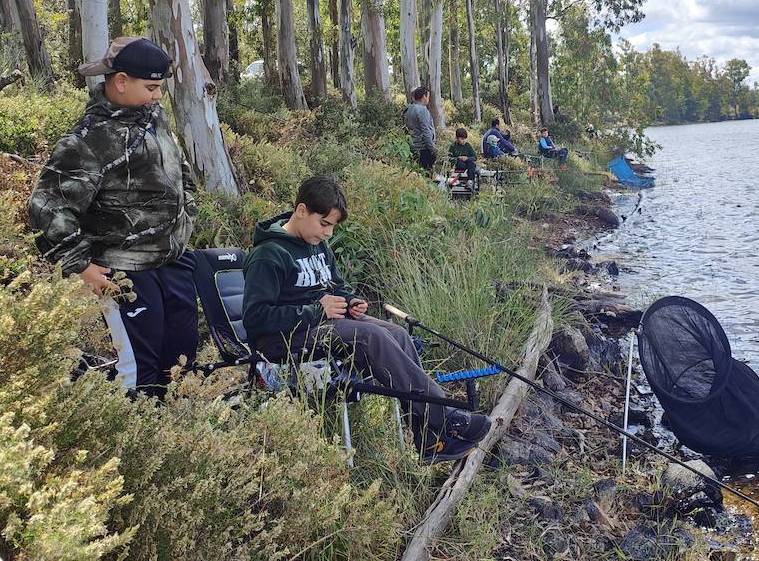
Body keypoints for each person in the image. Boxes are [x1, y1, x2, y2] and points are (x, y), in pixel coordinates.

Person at [242, 176, 492, 463]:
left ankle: (428, 438)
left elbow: (336, 286)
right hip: (283, 338)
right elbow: (255, 318)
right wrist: (317, 311)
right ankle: (443, 415)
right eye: (324, 223)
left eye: (333, 227)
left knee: (397, 334)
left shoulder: (316, 244)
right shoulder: (268, 254)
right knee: (371, 337)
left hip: (323, 324)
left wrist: (350, 302)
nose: (328, 233)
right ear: (301, 210)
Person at [29, 36, 199, 399]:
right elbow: (47, 209)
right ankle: (137, 434)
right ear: (121, 81)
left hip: (173, 263)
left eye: (160, 88)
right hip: (124, 273)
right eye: (151, 87)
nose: (157, 96)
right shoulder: (86, 141)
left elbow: (181, 172)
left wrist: (188, 213)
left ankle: (175, 429)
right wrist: (80, 266)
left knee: (182, 361)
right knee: (138, 371)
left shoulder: (154, 118)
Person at [405, 87, 436, 172]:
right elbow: (426, 131)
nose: (428, 99)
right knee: (427, 173)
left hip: (412, 147)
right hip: (423, 148)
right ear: (424, 97)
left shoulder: (408, 109)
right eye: (428, 96)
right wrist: (432, 149)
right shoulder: (422, 110)